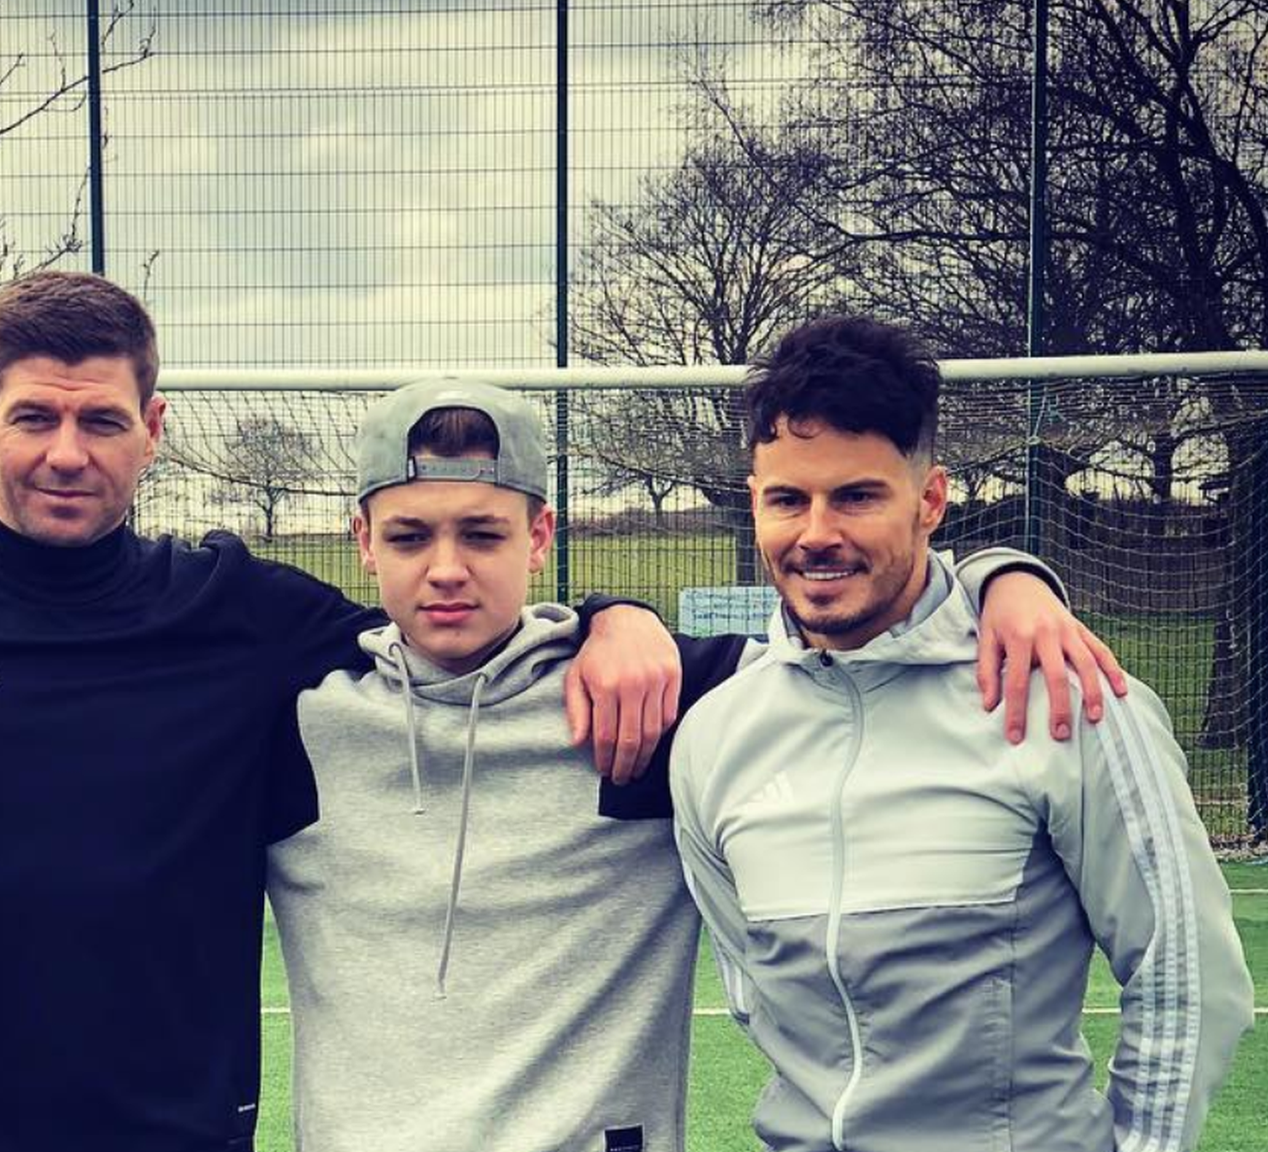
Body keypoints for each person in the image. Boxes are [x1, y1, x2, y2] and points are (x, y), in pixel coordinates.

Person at [0, 273, 1117, 1151]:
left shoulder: (247, 615)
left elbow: (544, 610)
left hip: (181, 1131)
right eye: (32, 416)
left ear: (154, 432)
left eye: (101, 419)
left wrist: (994, 569)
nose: (65, 449)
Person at [260, 378, 1090, 1152]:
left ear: (541, 536)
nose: (447, 567)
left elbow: (855, 637)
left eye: (483, 533)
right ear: (364, 542)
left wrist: (1000, 578)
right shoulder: (289, 717)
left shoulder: (661, 701)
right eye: (410, 535)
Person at [670, 316, 1253, 1152]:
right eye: (787, 499)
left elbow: (1188, 979)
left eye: (858, 496)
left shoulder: (1068, 696)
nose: (817, 533)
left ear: (930, 501)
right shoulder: (716, 736)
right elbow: (753, 991)